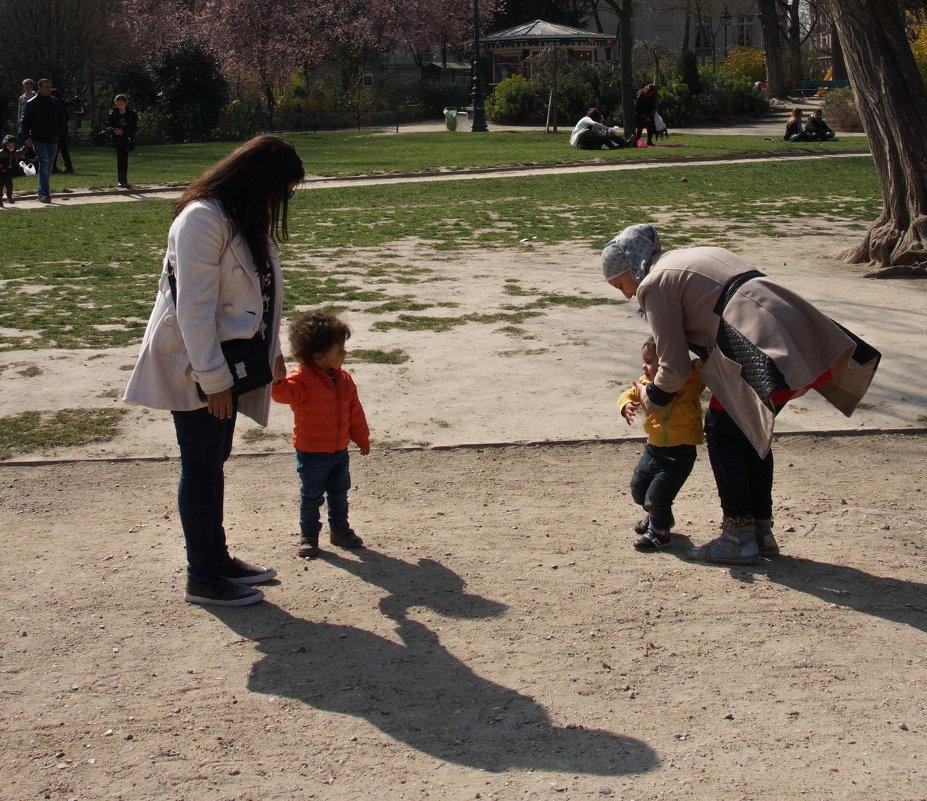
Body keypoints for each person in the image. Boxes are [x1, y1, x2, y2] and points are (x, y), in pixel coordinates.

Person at [601, 223, 880, 566]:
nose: (626, 294)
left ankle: (738, 536)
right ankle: (761, 531)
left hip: (752, 340)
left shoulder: (654, 283)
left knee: (723, 432)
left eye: (619, 284)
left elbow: (673, 367)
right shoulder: (685, 257)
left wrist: (651, 398)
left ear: (631, 268)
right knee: (747, 432)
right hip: (786, 325)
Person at [124, 135, 306, 606]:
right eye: (282, 189)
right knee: (202, 464)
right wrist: (214, 380)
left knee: (213, 462)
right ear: (259, 180)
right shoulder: (202, 220)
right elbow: (194, 311)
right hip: (195, 362)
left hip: (232, 358)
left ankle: (217, 557)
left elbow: (263, 292)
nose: (282, 200)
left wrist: (273, 351)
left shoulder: (243, 218)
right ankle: (202, 575)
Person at [272, 312, 371, 559]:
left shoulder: (344, 379)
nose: (344, 354)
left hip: (338, 451)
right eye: (339, 350)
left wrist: (361, 437)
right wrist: (277, 381)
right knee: (311, 495)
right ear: (317, 356)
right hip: (312, 452)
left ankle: (340, 529)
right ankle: (309, 535)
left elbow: (355, 411)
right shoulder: (301, 379)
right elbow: (283, 395)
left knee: (339, 492)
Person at [617, 336, 704, 551]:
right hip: (653, 449)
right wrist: (625, 405)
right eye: (644, 361)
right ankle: (656, 518)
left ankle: (661, 533)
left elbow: (706, 359)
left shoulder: (690, 379)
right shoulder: (645, 384)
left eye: (648, 362)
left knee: (656, 496)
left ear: (667, 362)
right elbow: (629, 393)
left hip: (679, 453)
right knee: (639, 489)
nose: (643, 366)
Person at [18, 78, 67, 203]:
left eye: (49, 87)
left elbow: (62, 118)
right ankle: (44, 193)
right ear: (39, 88)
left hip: (53, 139)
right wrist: (27, 137)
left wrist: (60, 132)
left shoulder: (55, 102)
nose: (48, 89)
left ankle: (43, 189)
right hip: (39, 139)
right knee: (44, 163)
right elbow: (25, 123)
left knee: (49, 166)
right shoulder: (32, 103)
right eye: (46, 87)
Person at [105, 94, 139, 188]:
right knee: (120, 159)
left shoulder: (131, 114)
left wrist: (124, 131)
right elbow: (107, 126)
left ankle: (125, 179)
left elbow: (134, 128)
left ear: (125, 103)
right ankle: (121, 179)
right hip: (117, 140)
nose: (120, 106)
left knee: (125, 159)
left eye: (121, 104)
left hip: (127, 139)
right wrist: (114, 130)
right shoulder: (113, 113)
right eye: (118, 104)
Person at [50, 89, 74, 174]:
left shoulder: (55, 104)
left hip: (58, 130)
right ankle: (67, 166)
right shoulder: (61, 104)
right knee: (62, 149)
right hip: (61, 130)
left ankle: (54, 167)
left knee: (56, 149)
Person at [0, 135, 23, 206]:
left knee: (9, 185)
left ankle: (9, 197)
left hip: (9, 172)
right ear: (5, 144)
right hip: (1, 172)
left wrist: (26, 147)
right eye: (9, 145)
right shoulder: (2, 153)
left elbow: (21, 153)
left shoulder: (14, 153)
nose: (11, 146)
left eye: (12, 145)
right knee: (0, 186)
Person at [15, 79, 36, 147]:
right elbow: (20, 110)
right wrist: (20, 120)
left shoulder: (35, 96)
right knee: (19, 138)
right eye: (25, 87)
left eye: (28, 87)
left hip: (33, 121)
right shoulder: (22, 98)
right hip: (24, 122)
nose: (26, 88)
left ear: (31, 87)